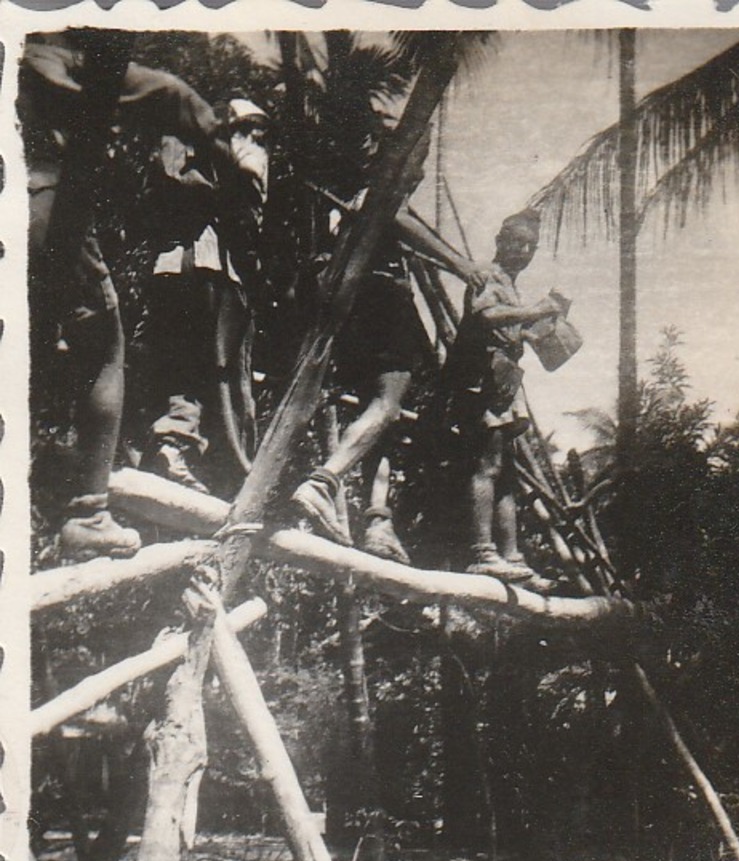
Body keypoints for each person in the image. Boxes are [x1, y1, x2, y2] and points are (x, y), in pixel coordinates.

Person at [22, 31, 221, 561]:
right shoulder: (58, 58)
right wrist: (230, 155)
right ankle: (90, 513)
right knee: (102, 350)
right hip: (38, 198)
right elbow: (177, 98)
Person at [291, 128, 494, 565]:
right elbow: (395, 215)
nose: (419, 175)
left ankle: (377, 518)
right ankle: (324, 481)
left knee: (380, 414)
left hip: (355, 310)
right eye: (415, 164)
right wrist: (461, 264)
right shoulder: (378, 194)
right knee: (387, 404)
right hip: (382, 301)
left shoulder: (351, 204)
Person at [141, 97, 270, 496]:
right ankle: (204, 458)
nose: (253, 138)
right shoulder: (207, 154)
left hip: (186, 265)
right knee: (211, 369)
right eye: (247, 128)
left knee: (190, 365)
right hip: (202, 265)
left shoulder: (199, 154)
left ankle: (182, 449)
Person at [447, 208, 567, 586]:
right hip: (481, 383)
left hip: (502, 385)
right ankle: (483, 551)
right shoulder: (489, 276)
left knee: (507, 474)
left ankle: (512, 555)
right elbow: (484, 317)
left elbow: (509, 327)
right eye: (518, 243)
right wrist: (533, 312)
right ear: (501, 242)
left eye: (531, 246)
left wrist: (536, 331)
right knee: (488, 465)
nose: (525, 251)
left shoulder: (510, 285)